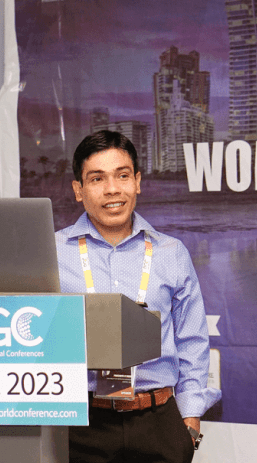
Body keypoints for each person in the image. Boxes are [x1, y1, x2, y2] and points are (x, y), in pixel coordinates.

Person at [55, 130, 221, 463]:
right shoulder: (52, 252)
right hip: (80, 425)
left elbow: (192, 340)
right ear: (78, 190)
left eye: (122, 175)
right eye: (97, 178)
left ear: (138, 182)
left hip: (158, 423)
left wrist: (189, 420)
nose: (112, 189)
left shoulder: (171, 253)